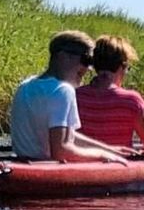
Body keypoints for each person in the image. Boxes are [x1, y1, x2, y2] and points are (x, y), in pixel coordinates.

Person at [10, 30, 135, 164]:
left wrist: (109, 149)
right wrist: (101, 154)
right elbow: (61, 150)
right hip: (45, 171)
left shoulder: (25, 85)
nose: (88, 68)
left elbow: (66, 136)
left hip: (22, 164)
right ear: (62, 56)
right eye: (85, 60)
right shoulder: (63, 90)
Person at [76, 34, 144, 153]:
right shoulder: (132, 100)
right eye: (127, 68)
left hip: (84, 163)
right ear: (122, 67)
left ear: (95, 65)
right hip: (120, 164)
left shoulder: (75, 96)